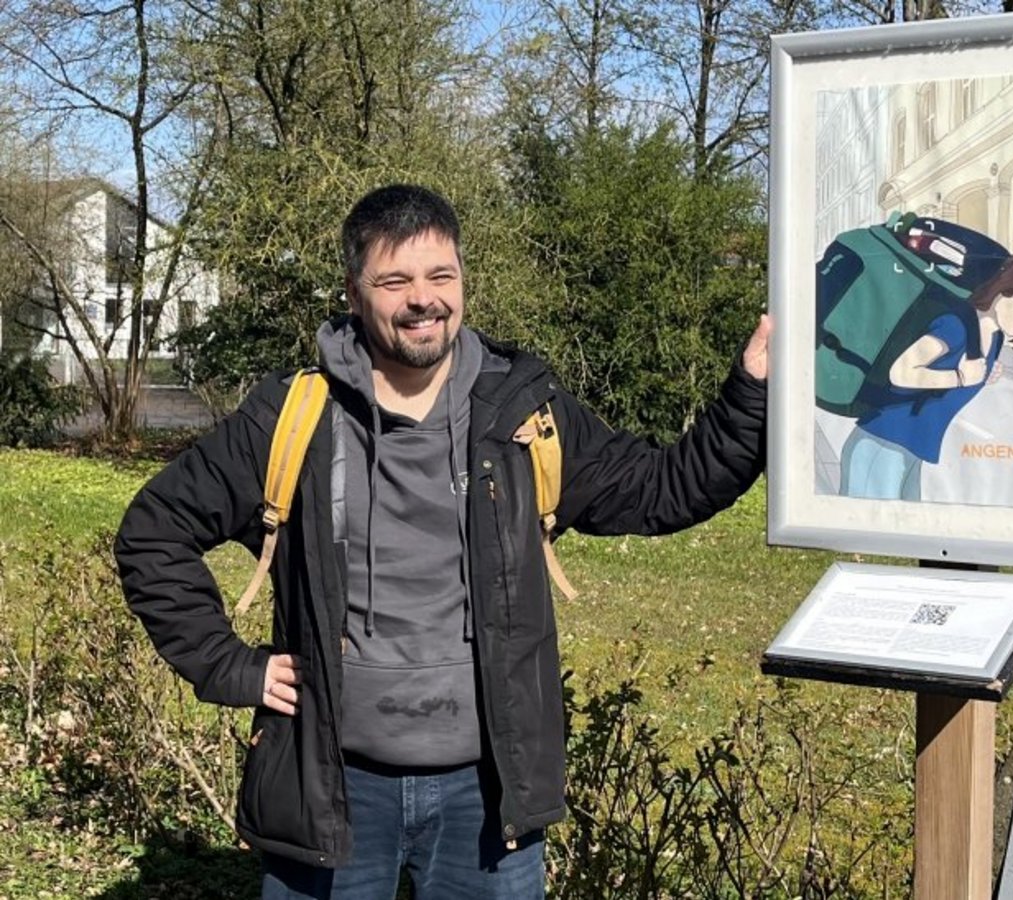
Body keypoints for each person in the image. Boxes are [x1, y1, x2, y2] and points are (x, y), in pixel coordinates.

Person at [115, 184, 770, 898]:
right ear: (354, 291)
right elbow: (155, 532)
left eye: (441, 276)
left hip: (486, 799)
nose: (422, 299)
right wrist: (230, 666)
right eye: (394, 280)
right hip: (332, 786)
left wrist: (751, 390)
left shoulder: (522, 413)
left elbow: (665, 488)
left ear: (463, 280)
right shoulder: (295, 417)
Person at [838, 253, 1013, 501]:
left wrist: (981, 375)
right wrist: (959, 378)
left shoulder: (994, 338)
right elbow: (901, 371)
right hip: (881, 444)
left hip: (911, 450)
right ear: (1000, 292)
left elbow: (957, 375)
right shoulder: (956, 326)